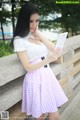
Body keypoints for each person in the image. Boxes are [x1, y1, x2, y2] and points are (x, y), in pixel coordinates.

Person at [12, 2, 68, 120]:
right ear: (24, 20)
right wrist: (48, 59)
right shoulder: (19, 40)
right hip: (35, 80)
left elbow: (55, 49)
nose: (34, 24)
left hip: (47, 76)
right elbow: (28, 67)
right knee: (41, 116)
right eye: (31, 21)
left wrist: (38, 33)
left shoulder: (35, 34)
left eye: (37, 21)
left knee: (51, 115)